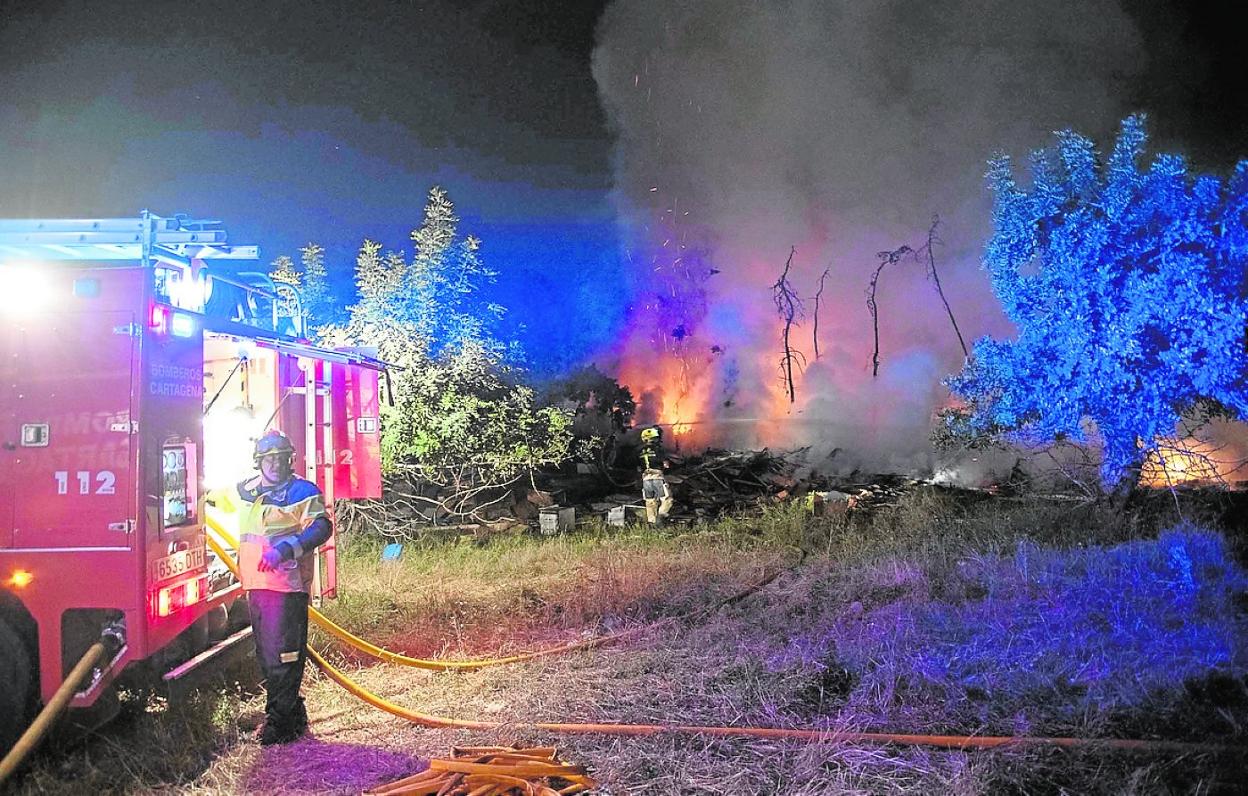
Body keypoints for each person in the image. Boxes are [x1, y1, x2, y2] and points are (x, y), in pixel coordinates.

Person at [209, 430, 332, 745]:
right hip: (257, 588)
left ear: (290, 460)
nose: (275, 464)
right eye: (269, 458)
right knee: (268, 657)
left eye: (281, 458)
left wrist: (285, 550)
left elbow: (321, 528)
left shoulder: (302, 492)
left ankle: (280, 725)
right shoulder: (248, 491)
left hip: (286, 589)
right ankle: (292, 714)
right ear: (259, 462)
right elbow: (210, 495)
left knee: (284, 658)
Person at [639, 426, 674, 525]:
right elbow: (666, 465)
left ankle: (651, 523)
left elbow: (638, 467)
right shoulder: (658, 449)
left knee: (650, 502)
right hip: (657, 477)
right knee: (667, 499)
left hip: (646, 479)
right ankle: (661, 517)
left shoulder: (639, 450)